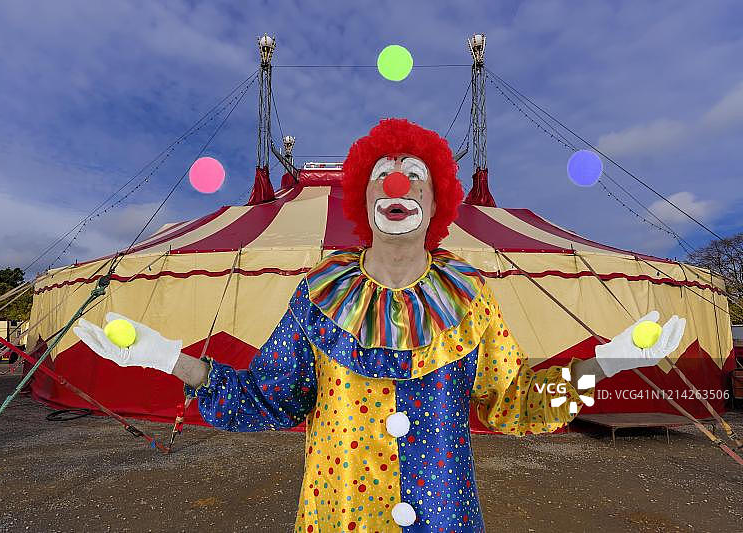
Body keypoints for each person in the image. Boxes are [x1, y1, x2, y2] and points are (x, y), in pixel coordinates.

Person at [74, 118, 686, 532]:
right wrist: (166, 357)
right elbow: (269, 398)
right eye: (382, 175)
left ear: (438, 199)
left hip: (443, 518)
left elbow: (514, 402)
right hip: (342, 517)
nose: (397, 183)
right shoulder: (319, 294)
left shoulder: (471, 299)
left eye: (415, 174)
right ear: (363, 201)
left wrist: (607, 362)